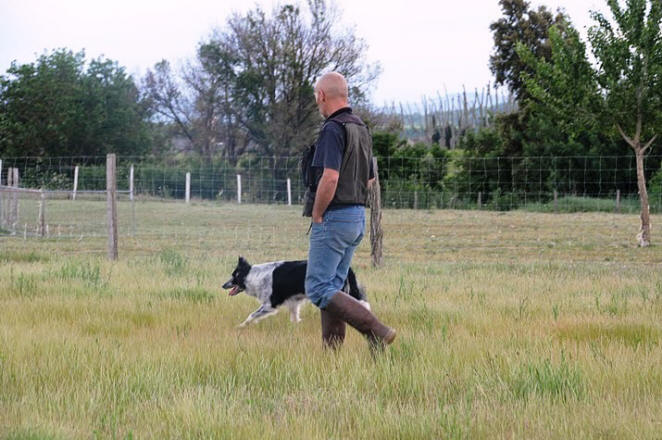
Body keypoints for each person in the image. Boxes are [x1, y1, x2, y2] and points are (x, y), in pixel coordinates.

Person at [304, 71, 396, 350]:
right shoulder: (360, 128)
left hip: (333, 216)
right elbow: (369, 178)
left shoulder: (333, 129)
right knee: (332, 287)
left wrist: (318, 214)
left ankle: (377, 331)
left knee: (318, 288)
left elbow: (329, 177)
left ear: (322, 96)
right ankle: (331, 357)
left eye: (316, 98)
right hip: (356, 217)